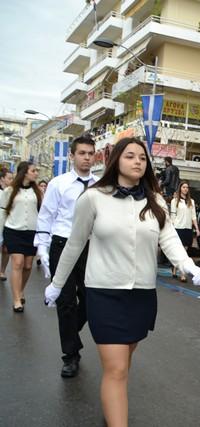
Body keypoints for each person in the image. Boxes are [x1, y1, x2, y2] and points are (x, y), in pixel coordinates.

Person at [44, 137, 200, 426]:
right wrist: (57, 283)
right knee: (116, 369)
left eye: (142, 158)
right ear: (116, 160)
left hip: (141, 295)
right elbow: (75, 243)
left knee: (122, 365)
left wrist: (187, 264)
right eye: (130, 156)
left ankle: (113, 404)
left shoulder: (155, 200)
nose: (137, 162)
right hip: (104, 294)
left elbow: (167, 237)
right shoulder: (93, 197)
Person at [35, 135, 97, 377]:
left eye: (90, 153)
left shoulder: (100, 185)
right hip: (62, 243)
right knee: (66, 302)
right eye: (82, 153)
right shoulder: (58, 184)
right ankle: (70, 355)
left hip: (91, 246)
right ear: (72, 156)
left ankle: (71, 334)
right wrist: (43, 248)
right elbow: (46, 216)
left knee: (93, 299)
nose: (87, 158)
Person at [0, 161, 41, 312]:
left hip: (31, 232)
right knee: (17, 263)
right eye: (33, 170)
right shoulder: (9, 190)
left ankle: (21, 289)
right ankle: (16, 299)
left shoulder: (37, 192)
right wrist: (1, 235)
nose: (36, 173)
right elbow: (3, 212)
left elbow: (41, 213)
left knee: (28, 265)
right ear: (24, 172)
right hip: (13, 231)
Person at [170, 181, 200, 282]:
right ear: (180, 188)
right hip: (178, 228)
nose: (185, 189)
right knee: (180, 251)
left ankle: (177, 269)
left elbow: (193, 216)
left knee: (185, 251)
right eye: (183, 187)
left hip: (188, 229)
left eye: (187, 187)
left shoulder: (191, 201)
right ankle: (181, 273)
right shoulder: (175, 201)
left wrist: (197, 228)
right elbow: (173, 215)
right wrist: (172, 229)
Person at [0, 168, 13, 282]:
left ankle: (2, 271)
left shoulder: (12, 191)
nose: (11, 180)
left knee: (6, 249)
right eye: (9, 178)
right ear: (2, 179)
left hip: (9, 220)